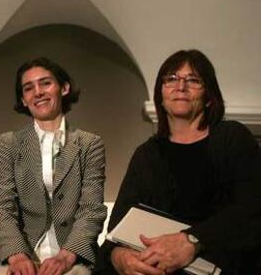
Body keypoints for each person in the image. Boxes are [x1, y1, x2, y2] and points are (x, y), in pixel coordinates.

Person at [95, 49, 261, 275]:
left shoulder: (232, 137)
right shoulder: (146, 154)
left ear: (209, 97)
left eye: (193, 80)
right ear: (160, 97)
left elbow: (252, 208)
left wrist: (193, 240)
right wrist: (119, 258)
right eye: (171, 79)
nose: (180, 86)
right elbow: (115, 232)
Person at [0, 57, 107, 275]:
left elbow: (91, 209)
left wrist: (66, 256)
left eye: (45, 83)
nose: (38, 92)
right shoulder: (8, 143)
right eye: (28, 88)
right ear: (24, 100)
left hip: (73, 259)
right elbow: (2, 208)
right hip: (22, 255)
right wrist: (17, 256)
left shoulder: (90, 143)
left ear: (64, 88)